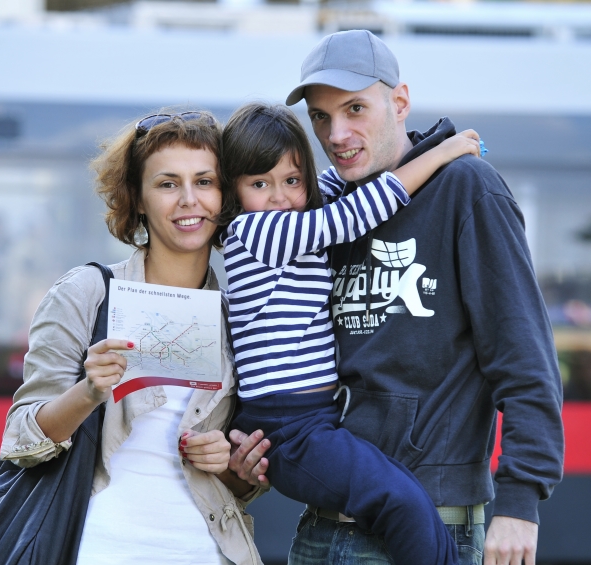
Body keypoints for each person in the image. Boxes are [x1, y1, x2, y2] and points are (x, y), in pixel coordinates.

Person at [229, 30, 564, 565]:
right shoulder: (312, 217)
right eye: (320, 116)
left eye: (355, 108)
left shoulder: (466, 189)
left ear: (400, 102)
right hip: (323, 526)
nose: (337, 133)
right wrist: (250, 465)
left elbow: (523, 358)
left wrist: (520, 501)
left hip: (430, 522)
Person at [217, 102, 482, 565]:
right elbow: (354, 214)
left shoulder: (291, 214)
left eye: (291, 180)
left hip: (310, 421)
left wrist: (433, 138)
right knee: (399, 500)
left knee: (404, 498)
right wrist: (445, 153)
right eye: (259, 184)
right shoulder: (254, 230)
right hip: (287, 427)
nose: (279, 196)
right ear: (234, 190)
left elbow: (338, 183)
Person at [0, 111, 265, 565]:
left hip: (205, 551)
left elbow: (242, 485)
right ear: (138, 198)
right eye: (167, 184)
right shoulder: (86, 293)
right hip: (98, 548)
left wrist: (232, 464)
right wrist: (89, 392)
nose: (188, 200)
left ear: (223, 197)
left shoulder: (239, 316)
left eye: (204, 181)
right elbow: (20, 439)